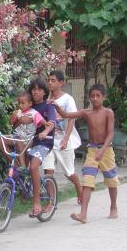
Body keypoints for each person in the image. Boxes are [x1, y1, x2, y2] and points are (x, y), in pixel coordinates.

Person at [57, 84, 119, 223]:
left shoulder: (108, 113)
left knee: (111, 180)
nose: (95, 98)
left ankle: (113, 206)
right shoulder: (87, 112)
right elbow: (66, 115)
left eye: (98, 96)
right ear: (89, 98)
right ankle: (83, 214)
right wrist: (56, 107)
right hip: (92, 150)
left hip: (106, 150)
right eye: (92, 96)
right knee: (87, 181)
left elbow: (110, 134)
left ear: (104, 97)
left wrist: (102, 150)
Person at [43, 70, 83, 204]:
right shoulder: (47, 100)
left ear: (61, 83)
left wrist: (66, 139)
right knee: (48, 172)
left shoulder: (67, 99)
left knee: (69, 173)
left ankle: (79, 189)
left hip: (64, 142)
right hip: (49, 141)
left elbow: (71, 119)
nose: (50, 83)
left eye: (53, 80)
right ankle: (50, 202)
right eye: (49, 80)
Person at [25, 77, 56, 218]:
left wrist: (44, 132)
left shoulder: (48, 106)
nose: (36, 92)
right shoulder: (28, 107)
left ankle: (37, 201)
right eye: (33, 89)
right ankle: (26, 188)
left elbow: (52, 123)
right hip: (29, 142)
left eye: (39, 89)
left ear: (44, 92)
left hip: (44, 143)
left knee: (33, 167)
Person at [0, 91, 48, 167]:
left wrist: (48, 127)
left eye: (23, 103)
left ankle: (22, 168)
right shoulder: (18, 112)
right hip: (17, 138)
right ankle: (17, 166)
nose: (20, 105)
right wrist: (13, 118)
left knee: (19, 143)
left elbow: (44, 123)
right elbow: (11, 124)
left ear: (30, 103)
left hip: (28, 141)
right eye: (19, 103)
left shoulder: (34, 113)